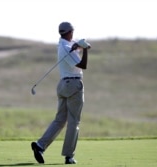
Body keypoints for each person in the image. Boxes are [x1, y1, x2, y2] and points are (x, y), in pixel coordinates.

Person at [31, 21, 90, 164]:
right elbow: (83, 65)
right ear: (69, 32)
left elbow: (77, 46)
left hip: (63, 85)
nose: (73, 34)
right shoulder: (66, 47)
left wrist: (80, 46)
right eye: (73, 31)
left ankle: (40, 146)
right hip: (73, 85)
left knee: (60, 120)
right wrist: (86, 49)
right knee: (73, 121)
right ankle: (69, 156)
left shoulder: (65, 44)